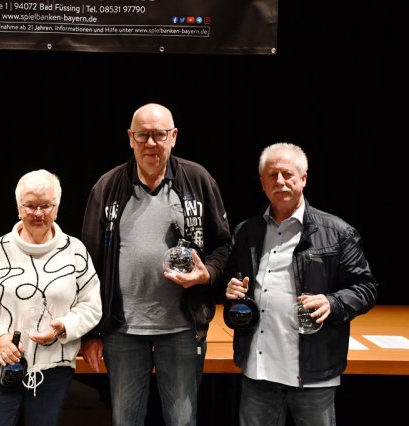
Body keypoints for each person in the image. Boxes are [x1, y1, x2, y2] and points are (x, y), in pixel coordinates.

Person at [80, 103, 232, 426]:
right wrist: (91, 332)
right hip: (122, 329)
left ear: (173, 137)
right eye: (143, 135)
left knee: (182, 420)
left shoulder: (198, 180)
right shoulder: (107, 187)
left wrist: (208, 274)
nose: (151, 143)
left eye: (159, 135)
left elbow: (223, 244)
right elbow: (88, 264)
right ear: (130, 138)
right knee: (125, 420)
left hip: (182, 327)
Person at [224, 142, 378, 426]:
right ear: (262, 183)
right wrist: (232, 291)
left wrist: (332, 302)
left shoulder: (338, 232)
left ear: (303, 178)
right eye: (272, 175)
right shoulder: (246, 232)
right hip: (258, 371)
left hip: (313, 373)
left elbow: (366, 287)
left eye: (288, 174)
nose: (280, 181)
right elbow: (235, 285)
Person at [0, 169, 102, 426]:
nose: (38, 213)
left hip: (55, 366)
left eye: (46, 205)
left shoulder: (75, 250)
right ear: (18, 208)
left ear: (57, 208)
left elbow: (91, 304)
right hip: (3, 362)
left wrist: (64, 326)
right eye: (30, 205)